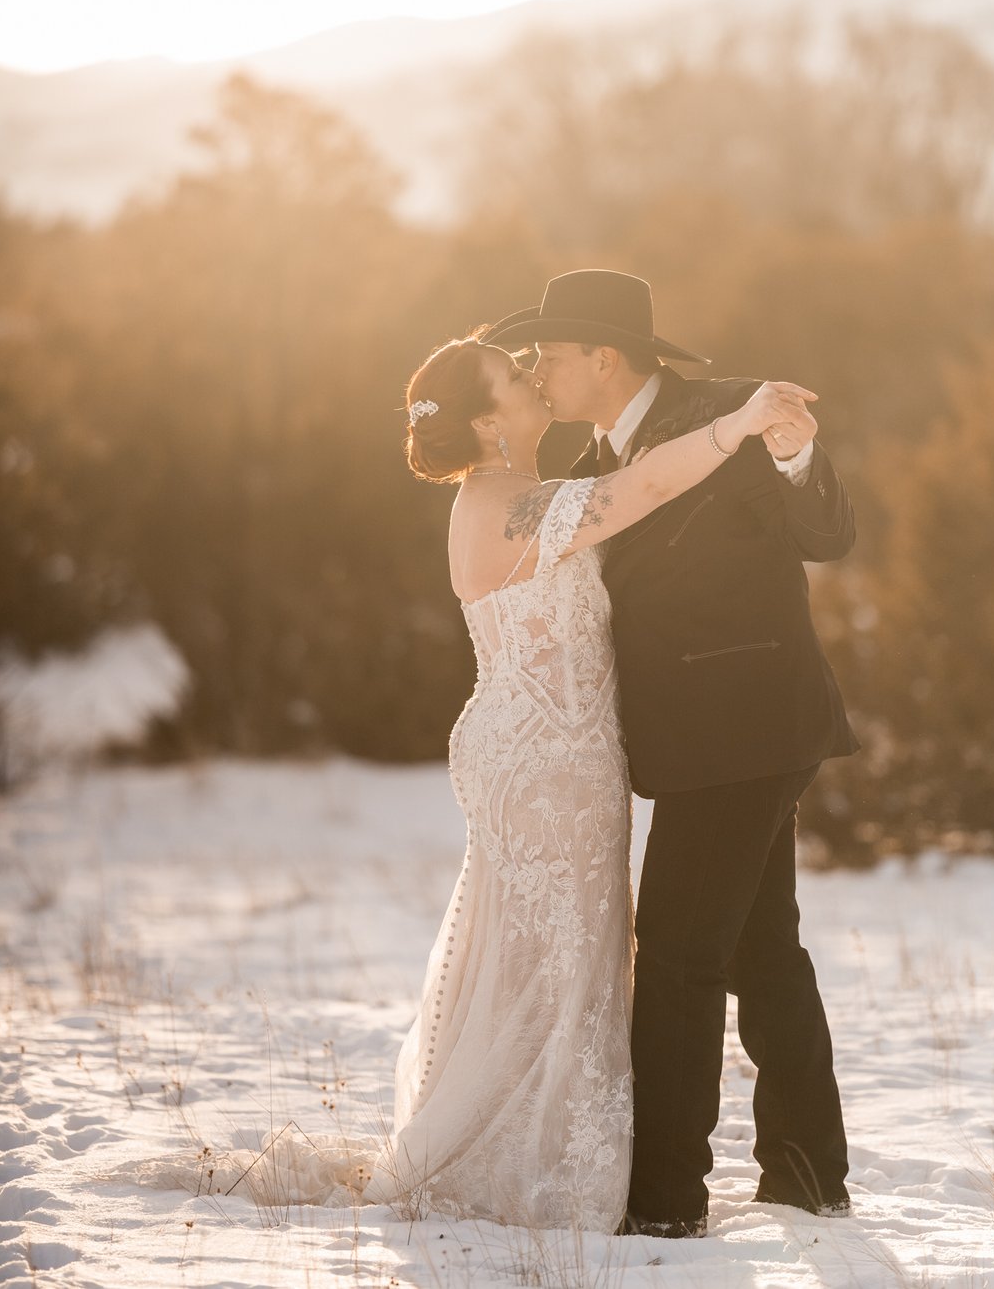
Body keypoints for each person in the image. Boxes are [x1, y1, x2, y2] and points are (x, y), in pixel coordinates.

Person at [361, 330, 817, 1232]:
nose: (532, 381)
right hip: (545, 764)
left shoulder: (516, 494)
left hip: (561, 757)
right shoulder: (508, 507)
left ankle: (546, 1145)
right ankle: (533, 1164)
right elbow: (638, 489)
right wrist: (735, 425)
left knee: (561, 960)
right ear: (490, 424)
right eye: (511, 379)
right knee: (557, 964)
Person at [486, 269, 858, 1238]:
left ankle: (661, 1202)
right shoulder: (593, 454)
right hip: (707, 739)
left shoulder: (728, 414)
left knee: (681, 956)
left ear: (602, 357)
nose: (539, 373)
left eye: (550, 357)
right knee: (757, 946)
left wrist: (797, 453)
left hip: (749, 725)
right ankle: (807, 1173)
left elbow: (829, 532)